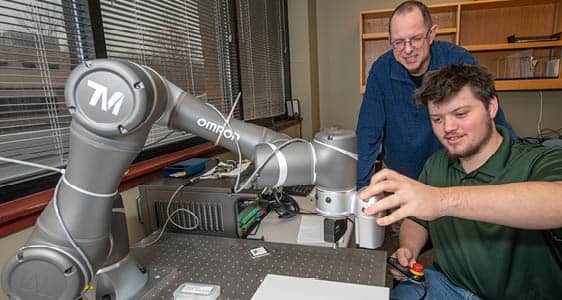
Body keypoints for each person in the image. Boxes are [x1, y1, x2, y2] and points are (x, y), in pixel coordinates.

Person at [360, 64, 562, 299]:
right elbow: (417, 220)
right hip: (449, 284)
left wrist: (441, 200)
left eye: (461, 114)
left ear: (491, 107)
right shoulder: (435, 164)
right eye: (437, 118)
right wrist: (408, 248)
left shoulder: (538, 160)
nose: (448, 128)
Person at [356, 0, 515, 188]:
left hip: (453, 178)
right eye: (399, 42)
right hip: (402, 179)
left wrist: (512, 178)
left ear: (431, 35)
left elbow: (495, 123)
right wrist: (360, 189)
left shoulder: (458, 60)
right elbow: (368, 133)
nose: (407, 50)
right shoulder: (381, 69)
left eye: (415, 39)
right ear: (389, 41)